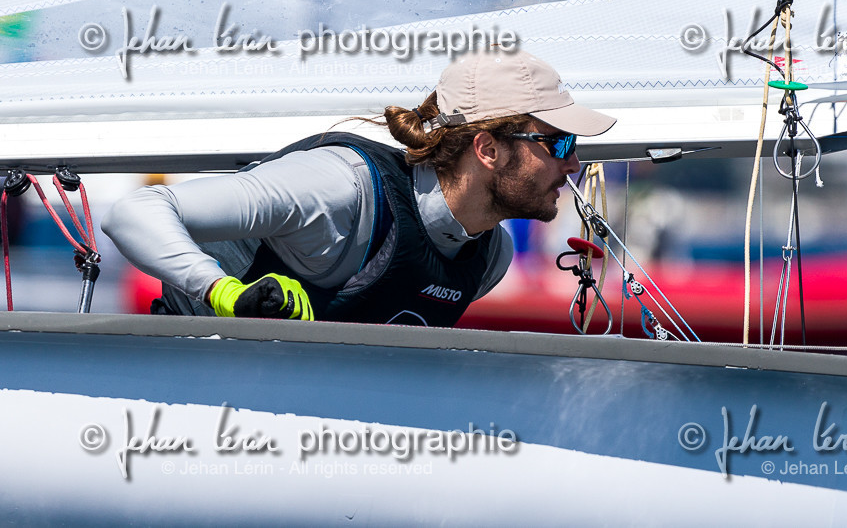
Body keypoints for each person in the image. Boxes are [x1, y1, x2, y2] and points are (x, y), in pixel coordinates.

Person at [103, 51, 614, 326]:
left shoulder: (488, 258)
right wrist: (227, 294)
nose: (573, 163)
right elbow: (135, 211)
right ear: (487, 149)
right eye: (559, 142)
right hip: (190, 390)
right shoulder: (339, 191)